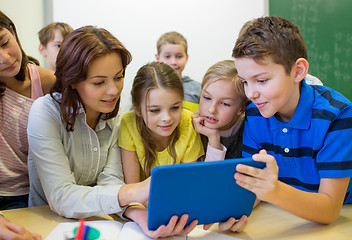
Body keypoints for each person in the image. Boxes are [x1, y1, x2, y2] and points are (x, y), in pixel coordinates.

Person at [27, 26, 195, 239]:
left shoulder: (117, 118)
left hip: (102, 221)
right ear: (72, 80)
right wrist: (134, 192)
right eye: (99, 82)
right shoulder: (45, 113)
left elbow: (111, 181)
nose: (114, 90)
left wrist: (136, 213)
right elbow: (62, 196)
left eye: (118, 77)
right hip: (44, 222)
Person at [232, 16, 352, 224]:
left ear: (298, 71)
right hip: (280, 216)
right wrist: (233, 214)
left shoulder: (337, 115)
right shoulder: (254, 114)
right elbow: (253, 187)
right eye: (245, 82)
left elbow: (330, 209)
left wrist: (274, 191)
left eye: (261, 80)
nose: (251, 93)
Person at [0, 10, 56, 210]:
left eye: (5, 43)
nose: (5, 58)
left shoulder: (47, 81)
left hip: (29, 194)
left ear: (12, 31)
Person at [119, 61, 204, 183]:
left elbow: (188, 184)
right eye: (155, 110)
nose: (167, 118)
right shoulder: (129, 123)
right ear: (137, 109)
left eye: (175, 108)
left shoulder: (187, 121)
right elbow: (132, 187)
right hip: (142, 199)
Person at [191, 60, 248, 233]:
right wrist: (213, 139)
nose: (211, 109)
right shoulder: (190, 128)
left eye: (225, 103)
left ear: (241, 109)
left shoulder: (251, 133)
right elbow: (203, 186)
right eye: (206, 98)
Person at [155, 31, 201, 112]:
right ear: (157, 58)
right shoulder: (148, 86)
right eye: (167, 56)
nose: (173, 62)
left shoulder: (198, 89)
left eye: (179, 56)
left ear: (186, 58)